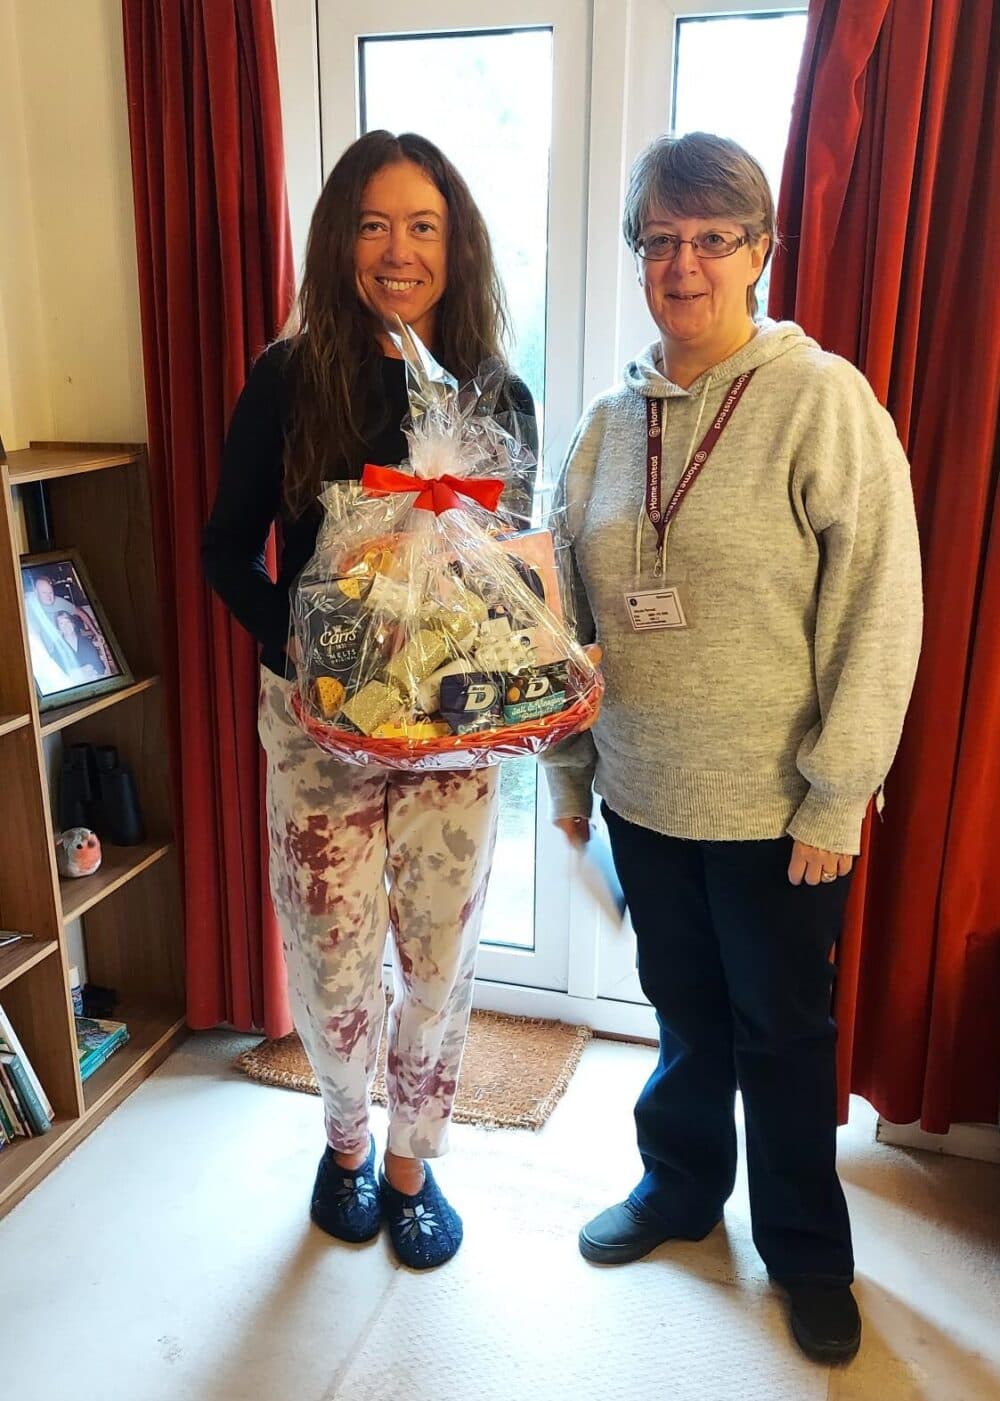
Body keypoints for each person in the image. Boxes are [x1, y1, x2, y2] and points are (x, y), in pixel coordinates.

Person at [544, 132, 922, 1363]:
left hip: (776, 811)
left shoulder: (823, 400)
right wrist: (568, 775)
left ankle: (807, 1250)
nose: (685, 264)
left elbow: (878, 608)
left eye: (713, 238)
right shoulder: (607, 425)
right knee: (685, 1015)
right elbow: (565, 624)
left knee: (782, 1034)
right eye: (661, 240)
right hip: (647, 796)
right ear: (637, 259)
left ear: (760, 251)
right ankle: (680, 1189)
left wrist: (836, 798)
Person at [203, 131, 537, 1270]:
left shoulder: (500, 396)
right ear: (339, 238)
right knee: (332, 957)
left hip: (453, 741)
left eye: (424, 225)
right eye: (374, 224)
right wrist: (307, 663)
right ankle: (344, 1145)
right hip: (315, 734)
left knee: (438, 961)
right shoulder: (288, 377)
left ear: (459, 243)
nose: (399, 250)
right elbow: (223, 553)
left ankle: (411, 1161)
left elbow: (507, 586)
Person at [54, 610, 108, 682]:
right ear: (58, 628)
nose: (66, 626)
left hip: (93, 680)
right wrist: (82, 671)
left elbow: (99, 667)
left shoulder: (86, 642)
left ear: (73, 624)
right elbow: (60, 672)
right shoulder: (58, 646)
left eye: (67, 622)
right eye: (61, 623)